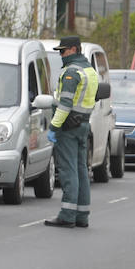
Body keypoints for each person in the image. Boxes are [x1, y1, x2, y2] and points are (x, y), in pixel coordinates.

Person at [43, 36, 100, 229]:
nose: (61, 54)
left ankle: (67, 215)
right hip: (83, 124)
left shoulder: (72, 72)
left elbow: (65, 104)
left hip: (68, 126)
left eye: (63, 51)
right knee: (81, 170)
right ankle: (82, 215)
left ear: (74, 50)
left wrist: (53, 127)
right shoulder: (90, 71)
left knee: (69, 171)